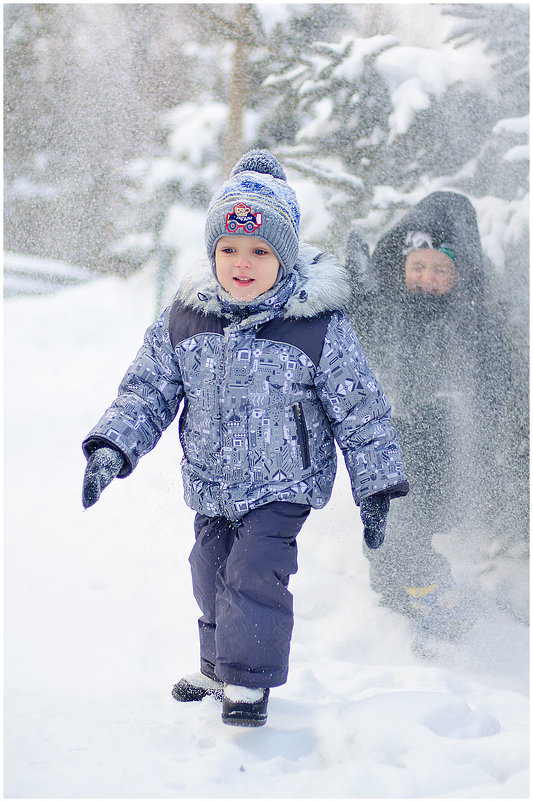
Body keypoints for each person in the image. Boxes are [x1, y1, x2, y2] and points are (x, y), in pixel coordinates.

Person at [82, 150, 409, 728]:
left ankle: (248, 684)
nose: (242, 263)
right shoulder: (186, 319)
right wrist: (114, 445)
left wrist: (376, 483)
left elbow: (360, 408)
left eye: (260, 251)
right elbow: (148, 390)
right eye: (229, 249)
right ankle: (216, 667)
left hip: (285, 483)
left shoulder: (316, 326)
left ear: (285, 258)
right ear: (212, 254)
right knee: (209, 568)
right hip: (212, 482)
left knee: (253, 570)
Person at [345, 191, 512, 645]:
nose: (426, 278)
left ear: (460, 275)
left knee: (403, 525)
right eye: (417, 267)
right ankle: (409, 601)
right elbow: (355, 337)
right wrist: (354, 287)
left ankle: (431, 599)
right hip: (393, 441)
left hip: (446, 447)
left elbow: (496, 387)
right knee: (388, 527)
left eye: (441, 270)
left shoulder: (475, 325)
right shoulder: (386, 309)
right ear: (401, 267)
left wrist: (473, 423)